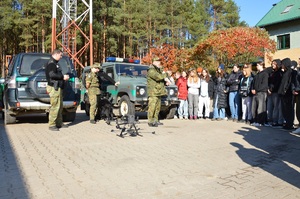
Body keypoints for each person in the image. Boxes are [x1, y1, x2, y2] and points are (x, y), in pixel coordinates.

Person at [45, 49, 69, 131]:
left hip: (58, 88)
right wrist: (63, 77)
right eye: (61, 55)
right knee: (55, 106)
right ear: (57, 54)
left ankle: (59, 123)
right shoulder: (51, 63)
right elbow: (51, 75)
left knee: (60, 106)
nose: (61, 57)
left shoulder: (55, 63)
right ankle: (52, 125)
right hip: (54, 88)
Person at [147, 56, 170, 127]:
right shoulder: (151, 70)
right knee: (152, 107)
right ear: (153, 62)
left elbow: (161, 78)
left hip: (158, 91)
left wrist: (165, 80)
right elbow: (158, 77)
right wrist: (166, 74)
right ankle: (150, 121)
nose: (159, 63)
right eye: (157, 61)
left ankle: (155, 120)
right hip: (153, 92)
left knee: (157, 107)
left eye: (159, 61)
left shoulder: (158, 70)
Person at [278, 58, 296, 130]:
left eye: (282, 64)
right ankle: (287, 123)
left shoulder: (292, 72)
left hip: (288, 93)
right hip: (283, 94)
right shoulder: (284, 73)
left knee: (289, 109)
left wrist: (289, 90)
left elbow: (290, 83)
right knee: (284, 109)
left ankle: (290, 124)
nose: (281, 65)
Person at [265, 59, 283, 127]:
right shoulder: (272, 73)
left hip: (275, 92)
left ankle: (276, 121)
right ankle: (270, 120)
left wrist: (271, 89)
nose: (273, 65)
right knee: (269, 107)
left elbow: (277, 83)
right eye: (272, 63)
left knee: (276, 107)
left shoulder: (279, 73)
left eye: (274, 64)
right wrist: (268, 89)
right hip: (270, 92)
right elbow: (269, 82)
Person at [250, 61, 269, 126]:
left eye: (258, 65)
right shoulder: (257, 74)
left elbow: (264, 85)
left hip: (261, 93)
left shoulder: (265, 74)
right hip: (255, 93)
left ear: (261, 65)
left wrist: (256, 90)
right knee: (254, 107)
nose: (256, 66)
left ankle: (260, 122)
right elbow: (253, 83)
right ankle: (255, 120)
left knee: (260, 108)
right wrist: (252, 89)